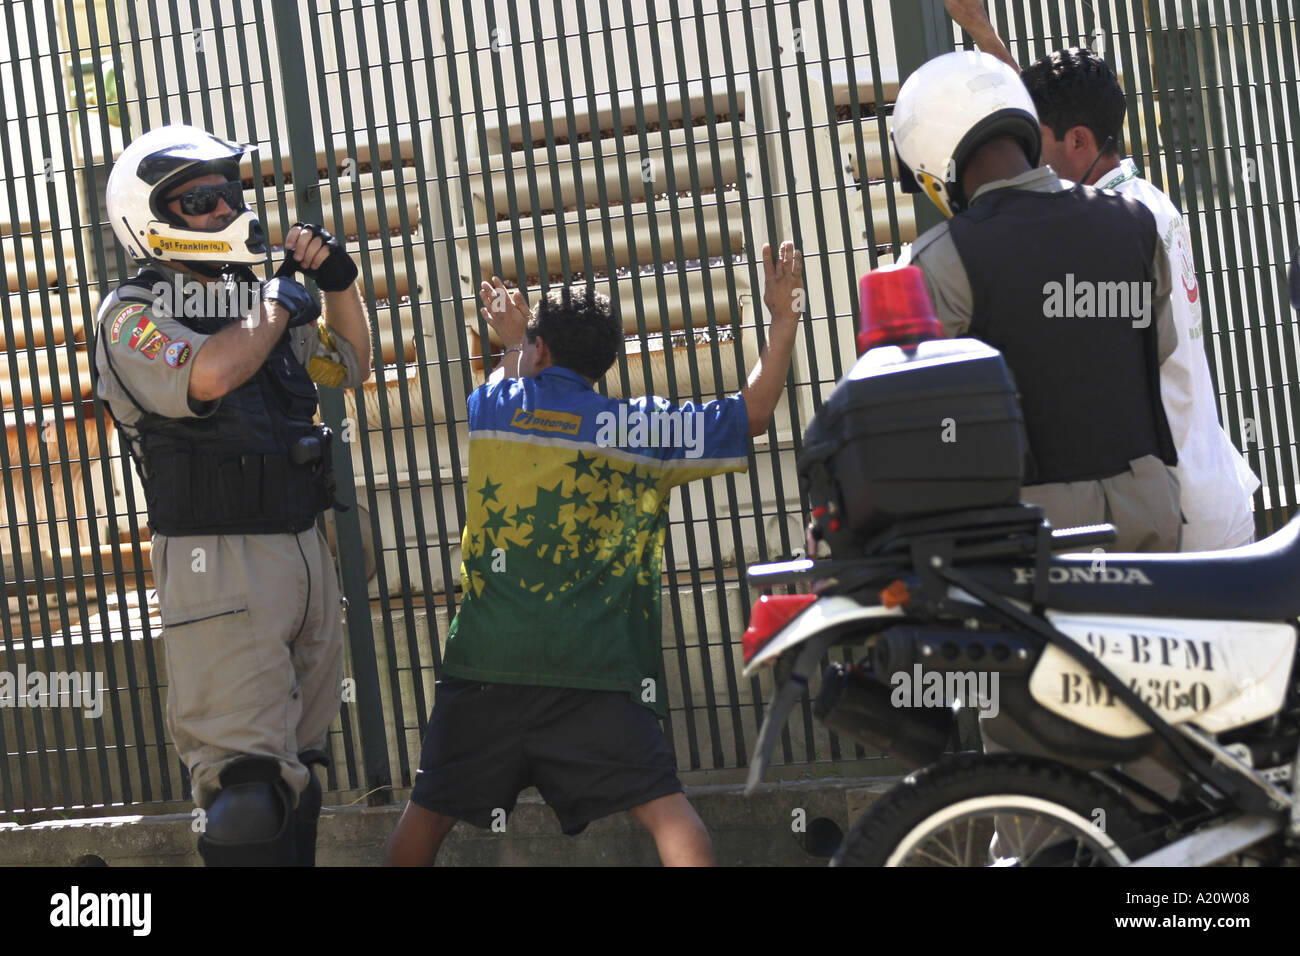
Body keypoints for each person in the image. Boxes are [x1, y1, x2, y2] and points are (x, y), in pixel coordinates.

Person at [383, 242, 804, 866]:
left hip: (483, 668)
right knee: (667, 811)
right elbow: (758, 410)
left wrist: (515, 339)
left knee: (427, 816)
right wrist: (783, 316)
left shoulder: (496, 408)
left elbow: (510, 375)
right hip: (597, 674)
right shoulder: (643, 430)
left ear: (541, 350)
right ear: (606, 362)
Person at [94, 124, 372, 865]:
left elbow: (345, 367)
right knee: (247, 792)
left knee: (300, 773)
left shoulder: (257, 296)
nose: (223, 209)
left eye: (227, 192)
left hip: (302, 545)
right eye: (199, 200)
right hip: (217, 559)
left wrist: (337, 284)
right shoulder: (131, 312)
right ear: (152, 214)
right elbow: (209, 374)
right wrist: (279, 302)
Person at [944, 0, 1259, 550]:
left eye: (1031, 144)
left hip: (1177, 514)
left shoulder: (1123, 224)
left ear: (1081, 142)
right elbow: (1050, 130)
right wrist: (983, 33)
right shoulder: (1140, 203)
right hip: (1204, 492)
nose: (1022, 161)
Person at [893, 50, 1182, 552]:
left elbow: (931, 426)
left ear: (931, 163)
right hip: (1149, 520)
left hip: (1033, 537)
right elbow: (1152, 350)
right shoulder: (1134, 222)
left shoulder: (937, 260)